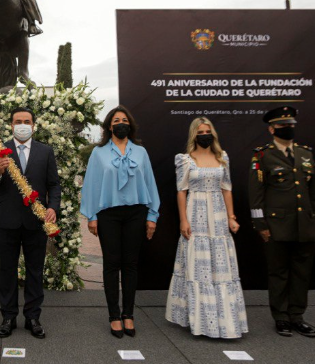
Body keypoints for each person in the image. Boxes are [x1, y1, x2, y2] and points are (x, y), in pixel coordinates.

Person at [80, 106, 159, 338]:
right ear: (109, 126)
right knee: (112, 264)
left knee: (131, 264)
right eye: (117, 120)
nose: (121, 123)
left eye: (125, 120)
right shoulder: (99, 153)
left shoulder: (141, 152)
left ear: (130, 125)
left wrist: (152, 216)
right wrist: (92, 216)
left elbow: (150, 183)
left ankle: (128, 314)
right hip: (108, 215)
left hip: (136, 213)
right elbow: (91, 185)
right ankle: (114, 315)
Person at [166, 117, 247, 338]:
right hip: (195, 215)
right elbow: (181, 191)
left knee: (220, 268)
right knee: (196, 267)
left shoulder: (222, 158)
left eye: (208, 131)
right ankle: (198, 321)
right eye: (200, 132)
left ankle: (225, 322)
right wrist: (183, 220)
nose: (204, 135)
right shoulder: (185, 160)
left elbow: (227, 188)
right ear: (194, 135)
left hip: (218, 216)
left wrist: (231, 217)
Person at [0, 107, 60, 339]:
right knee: (7, 271)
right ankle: (8, 317)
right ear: (12, 125)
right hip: (7, 221)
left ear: (34, 125)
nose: (23, 124)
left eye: (27, 121)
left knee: (35, 271)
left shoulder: (45, 151)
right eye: (18, 121)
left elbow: (54, 184)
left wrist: (52, 207)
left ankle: (32, 317)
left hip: (37, 222)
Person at [247, 106, 315, 338]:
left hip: (305, 224)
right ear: (272, 129)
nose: (287, 128)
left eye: (290, 124)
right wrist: (261, 225)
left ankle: (297, 316)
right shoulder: (262, 155)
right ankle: (281, 317)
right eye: (282, 125)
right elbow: (256, 193)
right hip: (276, 225)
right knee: (278, 272)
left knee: (301, 272)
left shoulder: (305, 154)